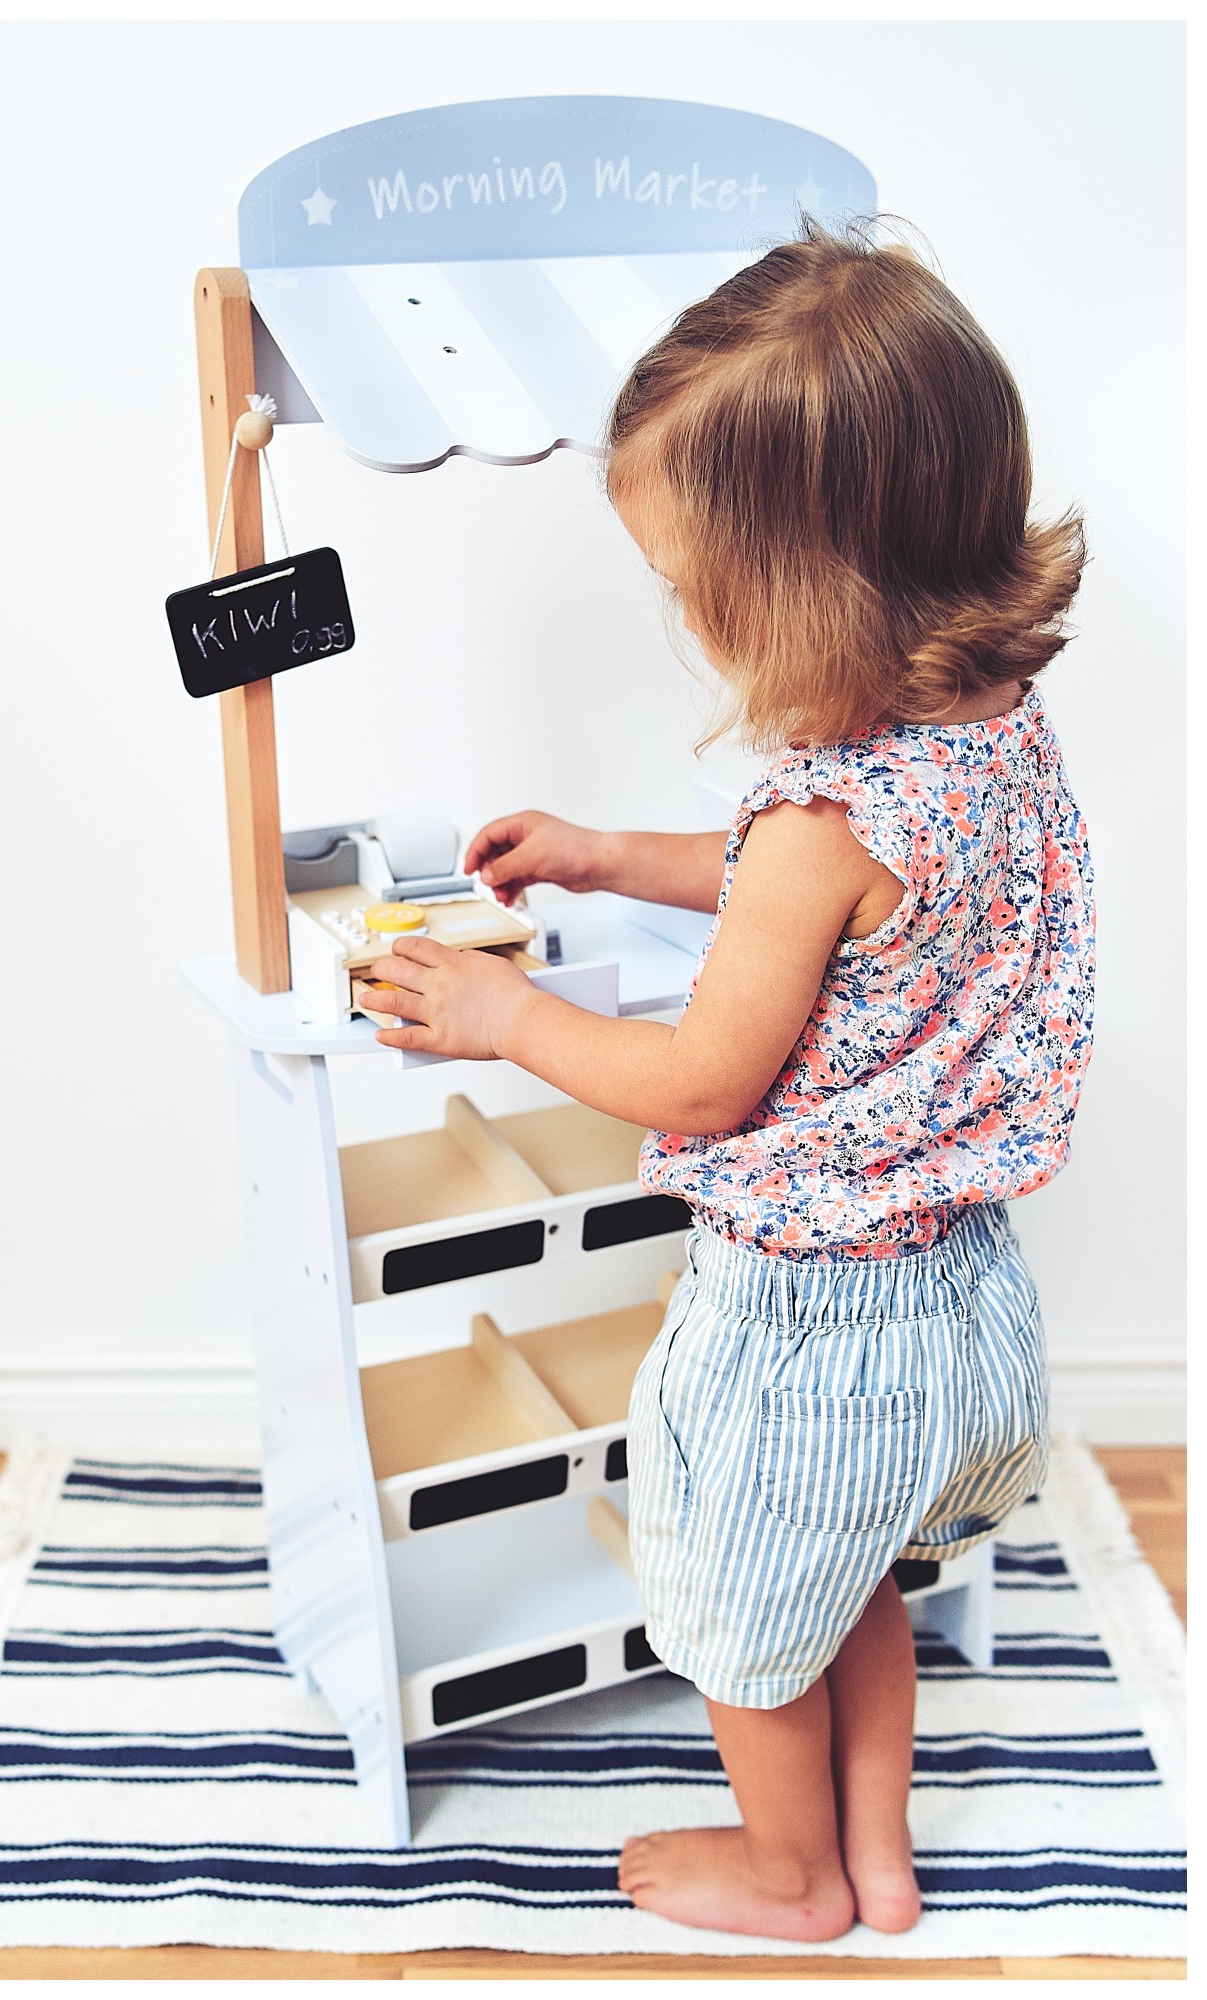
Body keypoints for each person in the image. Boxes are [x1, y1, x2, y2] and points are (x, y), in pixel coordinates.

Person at [366, 220, 1095, 1941]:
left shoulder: (828, 816)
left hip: (802, 1335)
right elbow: (811, 901)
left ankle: (790, 1876)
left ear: (811, 587)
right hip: (957, 1305)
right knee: (859, 1579)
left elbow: (698, 1079)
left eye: (694, 585)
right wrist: (614, 854)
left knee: (751, 1622)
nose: (688, 619)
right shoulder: (988, 730)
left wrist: (499, 1015)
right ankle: (878, 1856)